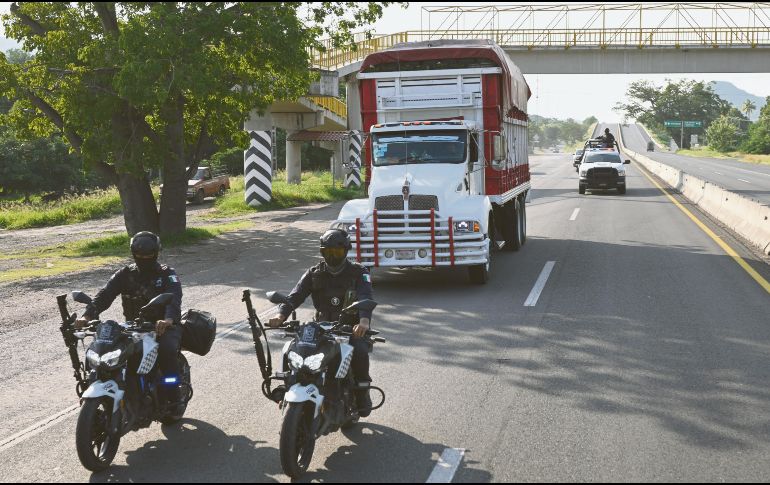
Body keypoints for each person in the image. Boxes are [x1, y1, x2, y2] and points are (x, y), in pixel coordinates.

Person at [75, 231, 184, 417]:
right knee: (105, 349)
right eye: (139, 255)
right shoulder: (124, 274)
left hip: (162, 327)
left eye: (148, 255)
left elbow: (174, 299)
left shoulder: (167, 274)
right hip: (133, 327)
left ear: (156, 253)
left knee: (166, 351)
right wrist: (87, 316)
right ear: (133, 254)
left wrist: (168, 319)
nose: (144, 259)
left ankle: (174, 397)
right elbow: (105, 295)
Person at [267, 228, 375, 417]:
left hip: (350, 327)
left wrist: (364, 322)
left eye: (337, 252)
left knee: (360, 350)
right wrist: (281, 315)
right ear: (322, 252)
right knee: (292, 348)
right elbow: (296, 295)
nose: (332, 257)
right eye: (328, 252)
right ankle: (288, 387)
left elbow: (366, 296)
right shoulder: (314, 273)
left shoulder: (359, 272)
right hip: (321, 327)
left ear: (346, 251)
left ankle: (361, 392)